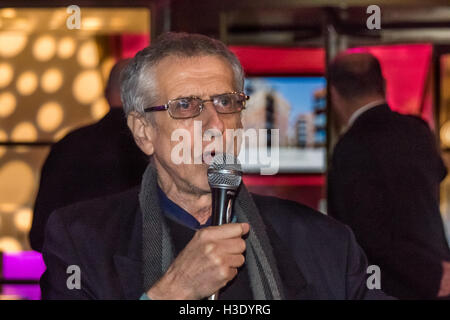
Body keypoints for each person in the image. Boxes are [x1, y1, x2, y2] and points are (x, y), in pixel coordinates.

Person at [40, 32, 389, 300]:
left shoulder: (324, 242)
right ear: (144, 131)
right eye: (186, 105)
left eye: (226, 102)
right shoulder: (81, 240)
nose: (215, 124)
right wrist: (173, 291)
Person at [327, 52, 450, 299]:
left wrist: (432, 275)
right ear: (383, 85)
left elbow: (367, 234)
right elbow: (439, 172)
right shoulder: (417, 130)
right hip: (441, 275)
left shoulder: (349, 148)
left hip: (393, 287)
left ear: (334, 94)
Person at [30, 59, 148, 252]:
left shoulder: (69, 145)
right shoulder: (154, 146)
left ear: (105, 93)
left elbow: (40, 232)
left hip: (74, 269)